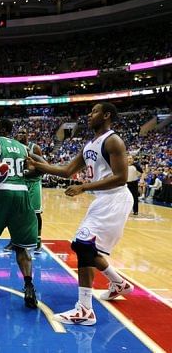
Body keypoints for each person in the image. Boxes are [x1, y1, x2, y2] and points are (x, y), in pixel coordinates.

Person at [28, 102, 134, 325]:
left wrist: (84, 187)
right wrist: (39, 165)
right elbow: (66, 170)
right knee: (82, 246)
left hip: (115, 198)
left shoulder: (113, 140)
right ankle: (118, 283)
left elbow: (121, 177)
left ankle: (85, 309)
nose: (89, 114)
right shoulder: (90, 145)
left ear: (106, 115)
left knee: (84, 246)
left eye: (94, 111)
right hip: (103, 200)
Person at [0, 118, 39, 309]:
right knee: (22, 247)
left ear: (3, 129)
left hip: (1, 192)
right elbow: (35, 171)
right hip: (21, 193)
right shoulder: (23, 148)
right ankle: (29, 287)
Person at [4, 127, 44, 253]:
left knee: (35, 213)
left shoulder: (35, 148)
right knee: (15, 213)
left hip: (33, 183)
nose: (20, 135)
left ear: (28, 135)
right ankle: (14, 240)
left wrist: (26, 173)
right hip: (20, 184)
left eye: (23, 132)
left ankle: (38, 241)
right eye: (19, 133)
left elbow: (42, 167)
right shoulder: (15, 148)